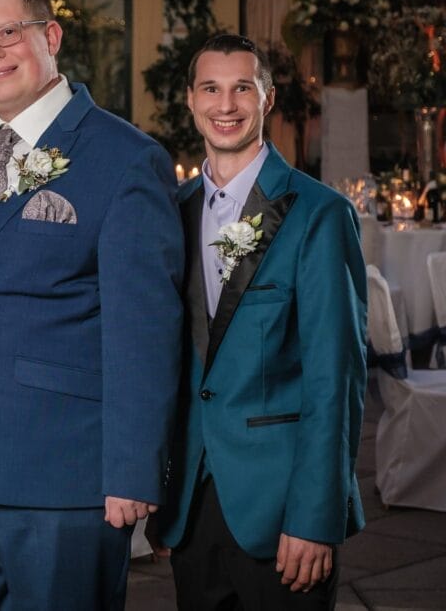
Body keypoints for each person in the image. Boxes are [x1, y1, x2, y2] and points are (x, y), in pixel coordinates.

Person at [0, 0, 184, 609]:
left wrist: (132, 471)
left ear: (51, 36)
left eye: (6, 33)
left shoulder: (124, 156)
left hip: (63, 475)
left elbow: (145, 329)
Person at [152, 34, 366, 609]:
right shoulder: (171, 212)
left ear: (267, 98)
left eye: (242, 88)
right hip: (191, 504)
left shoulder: (320, 214)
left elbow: (336, 380)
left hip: (281, 508)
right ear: (191, 100)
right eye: (211, 89)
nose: (227, 105)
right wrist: (163, 499)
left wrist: (316, 516)